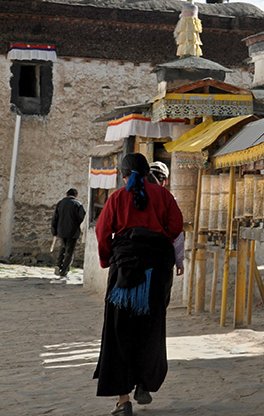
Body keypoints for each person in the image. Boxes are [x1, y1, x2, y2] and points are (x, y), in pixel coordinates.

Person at [94, 153, 184, 416]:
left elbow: (102, 232)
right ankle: (144, 384)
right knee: (150, 328)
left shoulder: (117, 198)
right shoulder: (164, 196)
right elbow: (176, 226)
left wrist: (107, 258)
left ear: (123, 176)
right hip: (154, 275)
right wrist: (157, 242)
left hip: (124, 274)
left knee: (119, 332)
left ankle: (123, 401)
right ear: (148, 173)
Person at [51, 188, 86, 278]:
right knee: (69, 251)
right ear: (75, 195)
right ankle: (64, 271)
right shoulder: (78, 204)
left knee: (62, 248)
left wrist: (54, 231)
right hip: (73, 231)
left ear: (66, 194)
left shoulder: (60, 203)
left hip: (61, 231)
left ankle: (58, 265)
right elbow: (82, 217)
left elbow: (55, 217)